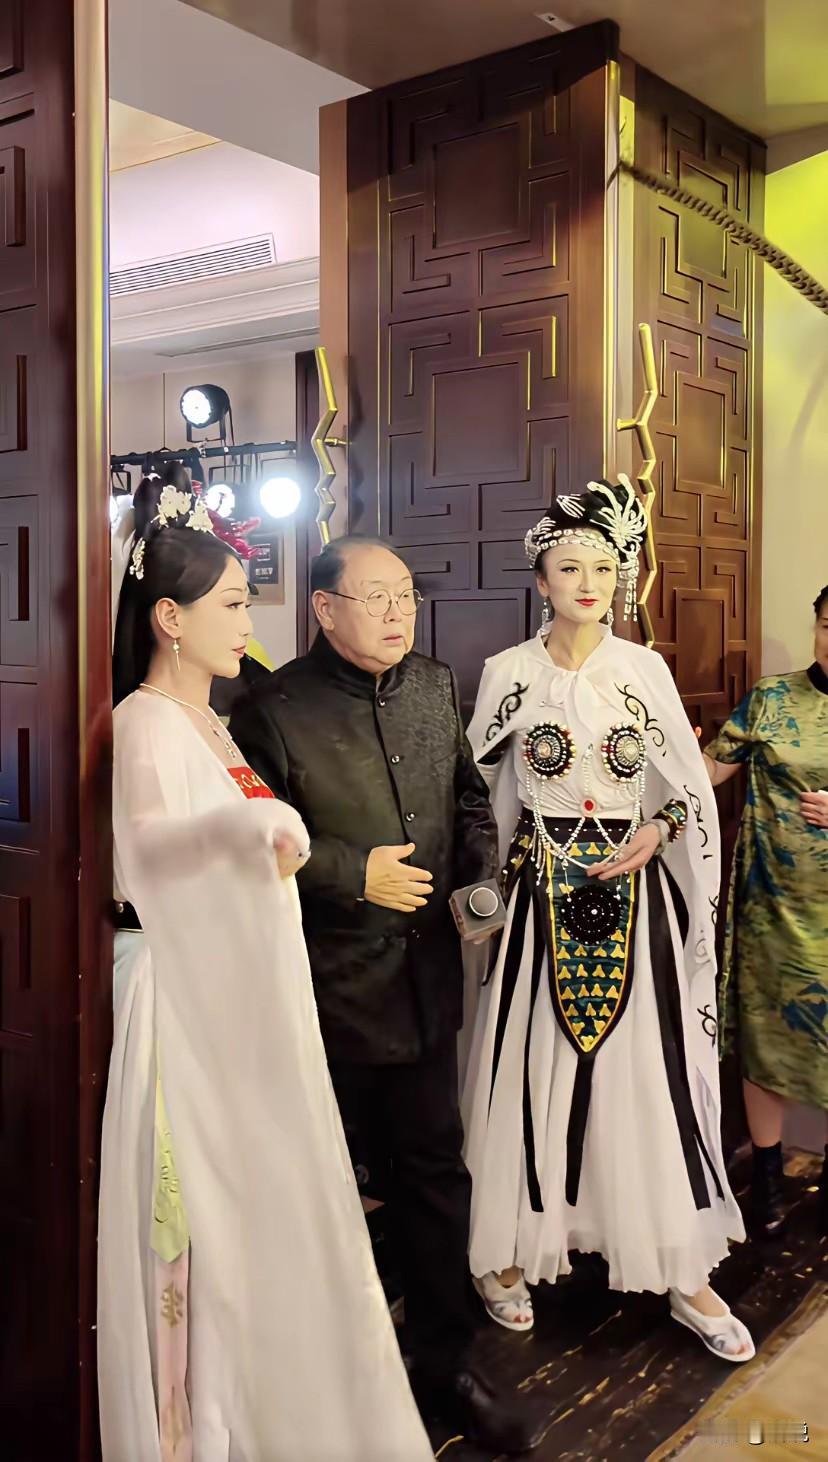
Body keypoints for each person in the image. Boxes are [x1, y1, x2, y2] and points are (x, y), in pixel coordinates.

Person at [100, 473, 433, 1462]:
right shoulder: (145, 721)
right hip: (185, 999)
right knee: (205, 1219)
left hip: (241, 988)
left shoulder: (215, 721)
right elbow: (144, 850)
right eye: (235, 605)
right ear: (170, 618)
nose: (250, 623)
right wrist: (246, 831)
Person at [230, 535, 547, 1453]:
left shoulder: (435, 686)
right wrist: (349, 873)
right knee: (323, 1188)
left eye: (405, 595)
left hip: (425, 984)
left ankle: (446, 1366)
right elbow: (250, 843)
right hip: (327, 993)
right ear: (325, 609)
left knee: (435, 1174)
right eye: (376, 597)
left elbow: (470, 802)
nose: (398, 612)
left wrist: (478, 882)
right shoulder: (271, 707)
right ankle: (323, 1374)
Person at [461, 478, 754, 1362]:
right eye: (568, 568)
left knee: (645, 1076)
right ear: (540, 580)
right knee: (529, 1067)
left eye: (602, 567)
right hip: (538, 898)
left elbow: (687, 790)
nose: (588, 583)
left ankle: (680, 1268)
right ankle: (506, 1250)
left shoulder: (643, 671)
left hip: (638, 897)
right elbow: (477, 794)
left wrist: (659, 829)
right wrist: (483, 887)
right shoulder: (510, 674)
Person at [704, 584, 828, 1239]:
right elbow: (711, 770)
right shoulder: (773, 698)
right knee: (767, 1038)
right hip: (772, 906)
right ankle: (770, 1177)